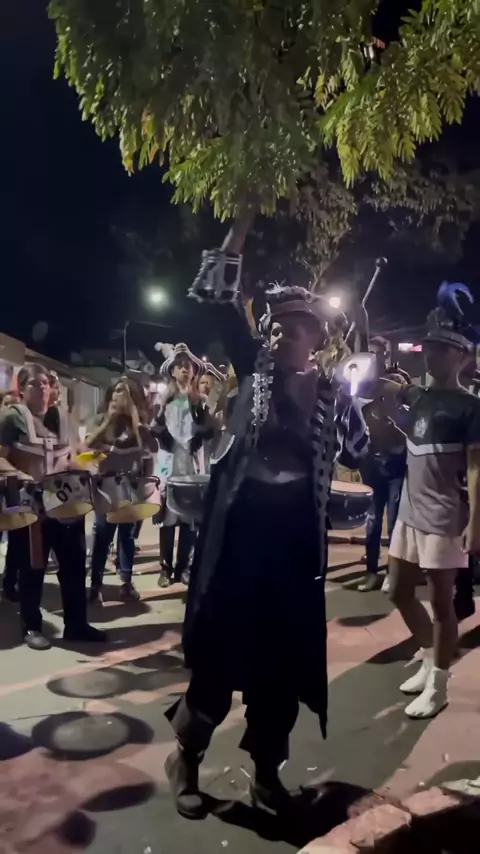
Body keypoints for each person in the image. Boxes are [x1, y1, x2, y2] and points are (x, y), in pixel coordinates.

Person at [164, 275, 369, 820]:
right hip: (241, 537)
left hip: (293, 542)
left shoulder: (329, 393)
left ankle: (266, 774)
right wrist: (237, 235)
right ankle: (185, 759)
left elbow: (359, 451)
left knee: (280, 665)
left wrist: (361, 405)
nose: (282, 335)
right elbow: (220, 299)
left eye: (296, 329)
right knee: (218, 656)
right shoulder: (253, 372)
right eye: (277, 327)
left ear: (317, 339)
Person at [388, 283, 480, 719]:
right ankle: (429, 658)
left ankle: (439, 684)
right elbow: (390, 392)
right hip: (408, 512)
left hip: (444, 516)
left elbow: (477, 470)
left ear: (462, 355)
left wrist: (476, 521)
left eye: (441, 349)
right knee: (397, 590)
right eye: (428, 347)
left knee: (442, 605)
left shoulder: (471, 407)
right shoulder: (419, 396)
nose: (431, 354)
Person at [0, 363, 106, 650]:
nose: (42, 389)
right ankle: (31, 626)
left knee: (73, 566)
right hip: (31, 506)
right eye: (35, 384)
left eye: (45, 383)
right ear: (22, 388)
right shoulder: (11, 417)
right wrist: (18, 474)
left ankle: (76, 624)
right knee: (32, 568)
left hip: (66, 500)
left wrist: (90, 464)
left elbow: (73, 455)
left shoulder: (63, 416)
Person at [86, 376, 157, 604]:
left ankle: (126, 582)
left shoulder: (138, 423)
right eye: (118, 390)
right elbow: (87, 446)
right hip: (107, 488)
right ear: (110, 395)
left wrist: (138, 424)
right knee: (103, 536)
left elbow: (152, 449)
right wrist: (109, 420)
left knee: (127, 536)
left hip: (130, 488)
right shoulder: (100, 419)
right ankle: (95, 585)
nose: (122, 396)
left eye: (127, 392)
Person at [152, 344, 214, 587]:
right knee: (167, 517)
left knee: (189, 516)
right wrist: (163, 436)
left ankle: (183, 567)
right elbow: (154, 427)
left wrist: (200, 434)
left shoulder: (199, 401)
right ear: (173, 371)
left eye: (188, 366)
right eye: (179, 366)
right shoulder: (164, 400)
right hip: (169, 463)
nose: (184, 370)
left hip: (190, 463)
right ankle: (165, 568)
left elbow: (209, 428)